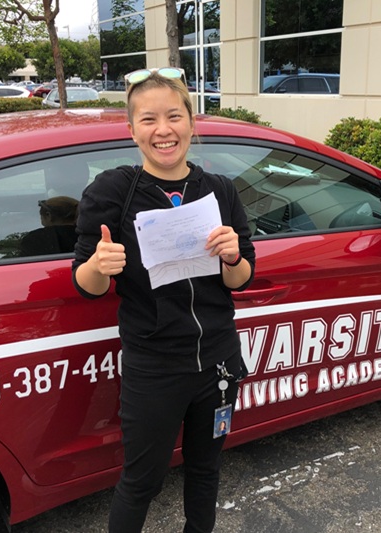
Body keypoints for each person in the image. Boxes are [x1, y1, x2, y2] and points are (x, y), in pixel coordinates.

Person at [71, 67, 255, 533]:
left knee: (206, 469)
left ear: (193, 123)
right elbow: (85, 283)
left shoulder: (220, 190)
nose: (164, 130)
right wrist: (99, 266)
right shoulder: (114, 191)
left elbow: (241, 279)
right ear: (131, 130)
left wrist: (232, 256)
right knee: (142, 480)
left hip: (217, 362)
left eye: (174, 116)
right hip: (154, 368)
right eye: (149, 119)